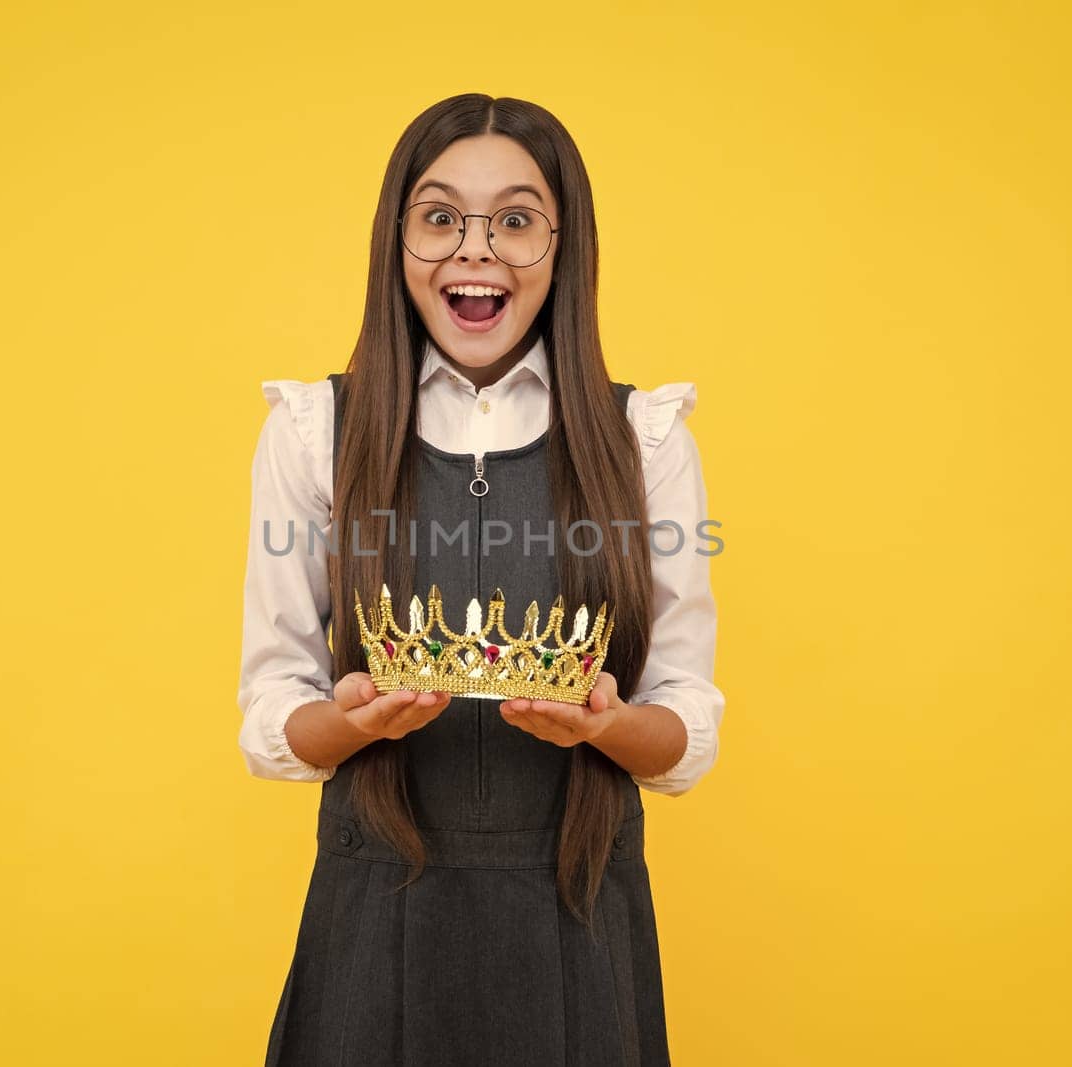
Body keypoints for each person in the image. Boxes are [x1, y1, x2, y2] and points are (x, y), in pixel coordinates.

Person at [237, 93, 725, 1066]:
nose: (475, 249)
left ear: (561, 243)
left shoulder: (645, 440)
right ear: (398, 238)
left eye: (513, 218)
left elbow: (683, 727)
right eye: (440, 216)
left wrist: (606, 723)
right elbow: (272, 713)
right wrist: (353, 718)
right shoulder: (312, 433)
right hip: (375, 915)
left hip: (576, 917)